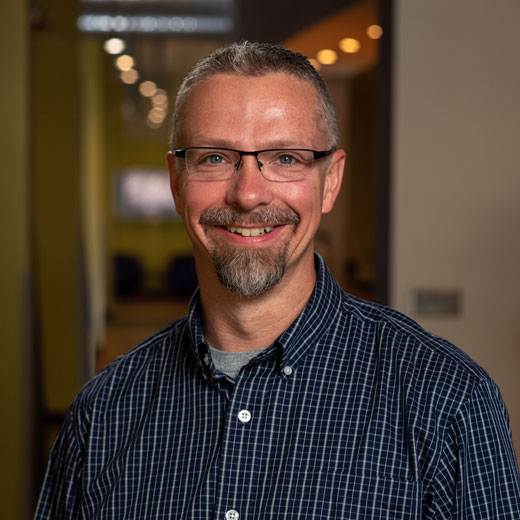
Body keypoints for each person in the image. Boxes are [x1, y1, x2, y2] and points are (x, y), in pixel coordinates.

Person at [34, 41, 520, 519]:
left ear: (330, 181)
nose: (248, 194)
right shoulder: (101, 416)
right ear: (176, 183)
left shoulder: (447, 402)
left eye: (286, 158)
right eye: (215, 158)